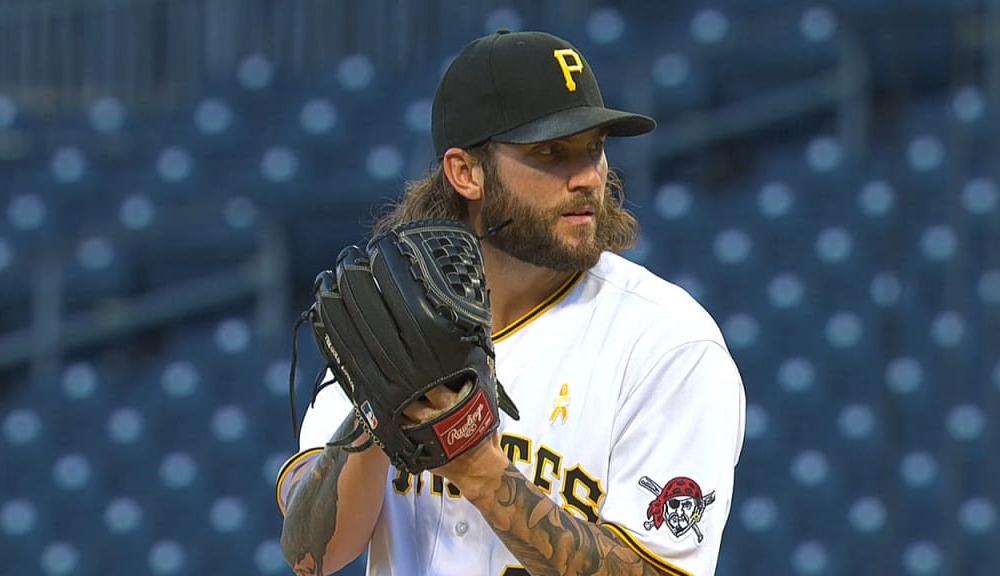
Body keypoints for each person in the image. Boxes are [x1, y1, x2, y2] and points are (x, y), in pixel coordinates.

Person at [276, 29, 746, 576]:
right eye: (550, 152)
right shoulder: (389, 315)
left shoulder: (669, 343)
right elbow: (313, 556)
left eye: (594, 148)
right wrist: (378, 411)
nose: (587, 177)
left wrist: (478, 467)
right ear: (466, 172)